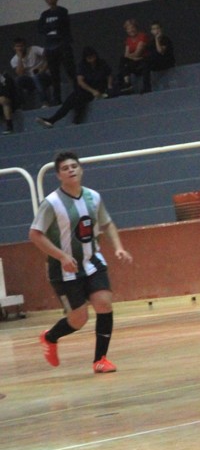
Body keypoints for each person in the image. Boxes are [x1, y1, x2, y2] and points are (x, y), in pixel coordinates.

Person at [30, 150, 133, 373]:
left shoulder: (93, 197)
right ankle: (50, 337)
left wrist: (119, 248)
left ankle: (101, 359)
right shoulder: (52, 203)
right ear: (58, 175)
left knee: (104, 303)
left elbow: (107, 224)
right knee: (78, 319)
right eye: (65, 168)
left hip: (92, 261)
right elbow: (35, 234)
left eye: (74, 166)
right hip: (63, 269)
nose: (71, 171)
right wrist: (61, 256)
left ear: (81, 169)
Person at [36, 46, 110, 128]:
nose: (91, 59)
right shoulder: (82, 66)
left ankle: (70, 120)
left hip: (99, 88)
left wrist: (109, 87)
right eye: (89, 58)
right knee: (72, 100)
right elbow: (80, 81)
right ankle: (53, 120)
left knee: (79, 98)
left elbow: (109, 75)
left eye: (93, 57)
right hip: (88, 89)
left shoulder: (102, 63)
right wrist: (92, 91)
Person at [37, 0, 75, 106]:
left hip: (62, 44)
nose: (50, 0)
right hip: (50, 46)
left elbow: (61, 24)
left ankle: (79, 91)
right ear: (46, 1)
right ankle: (57, 98)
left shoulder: (62, 11)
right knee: (54, 74)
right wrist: (52, 26)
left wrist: (49, 27)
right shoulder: (44, 14)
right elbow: (40, 29)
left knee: (70, 70)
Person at [11, 37, 50, 108]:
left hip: (44, 76)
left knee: (36, 77)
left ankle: (45, 102)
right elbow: (20, 73)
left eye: (21, 46)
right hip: (30, 80)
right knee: (18, 80)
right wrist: (20, 58)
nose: (20, 48)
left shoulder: (34, 49)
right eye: (17, 46)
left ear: (25, 46)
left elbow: (50, 56)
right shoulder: (14, 60)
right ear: (14, 48)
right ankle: (21, 105)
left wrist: (42, 69)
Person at [116, 19, 152, 95]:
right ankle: (127, 83)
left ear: (136, 28)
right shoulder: (128, 40)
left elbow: (137, 53)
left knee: (126, 60)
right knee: (123, 60)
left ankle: (146, 87)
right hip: (135, 62)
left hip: (144, 61)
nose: (131, 30)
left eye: (132, 28)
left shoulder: (142, 36)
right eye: (128, 29)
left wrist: (133, 57)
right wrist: (134, 58)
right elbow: (126, 55)